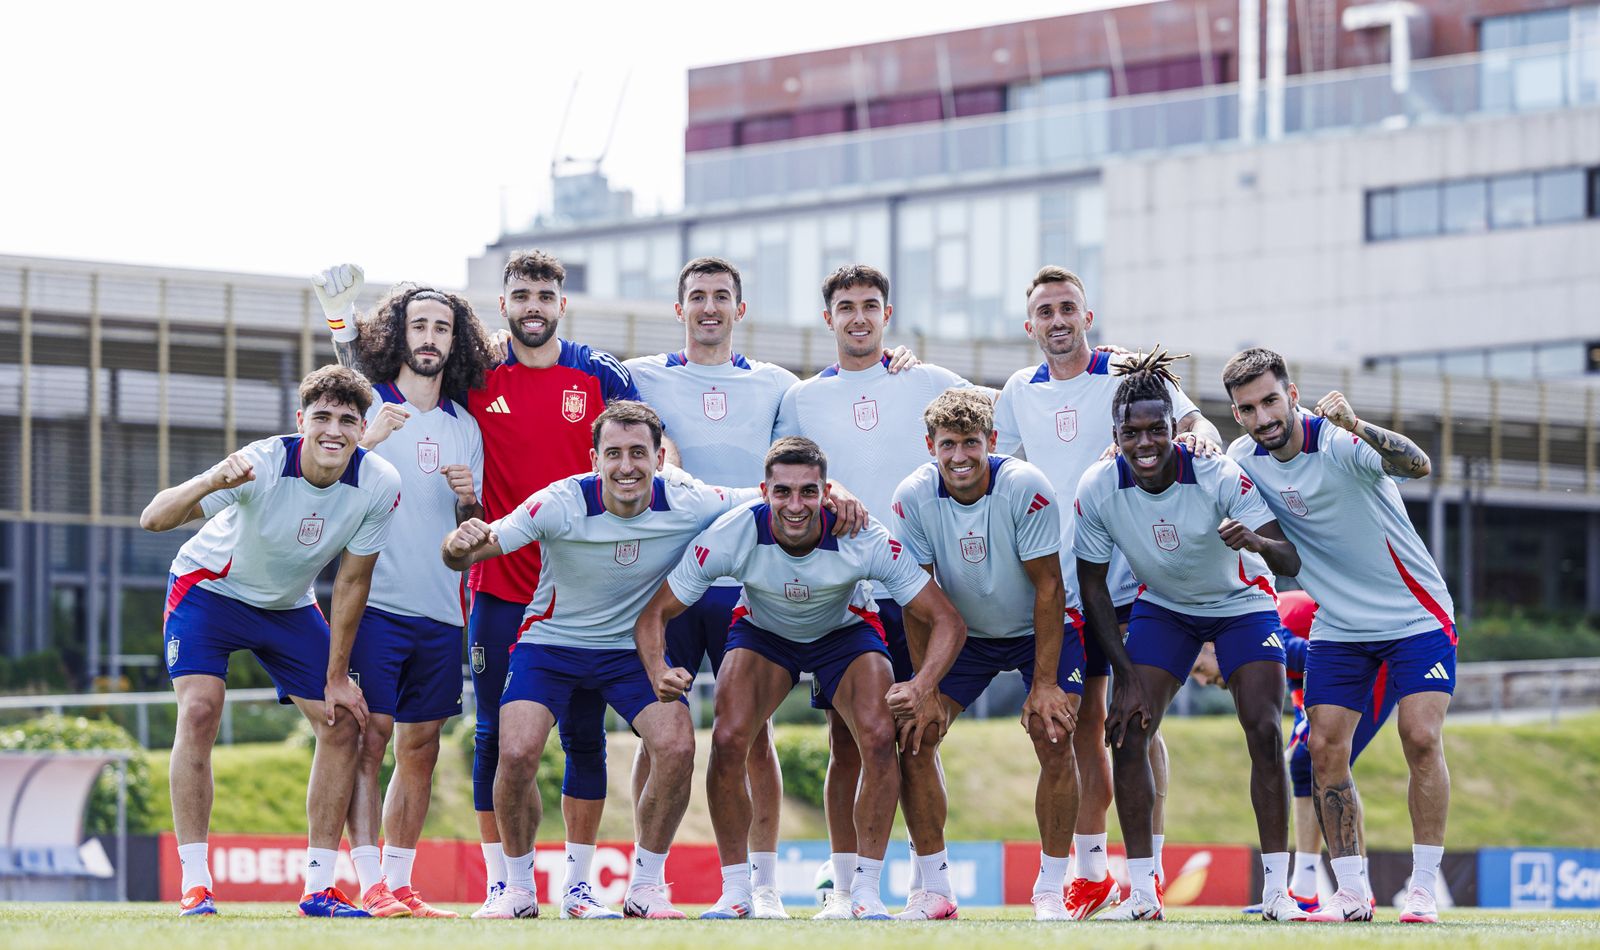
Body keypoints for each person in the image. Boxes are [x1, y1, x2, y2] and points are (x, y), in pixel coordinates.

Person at [317, 254, 650, 918]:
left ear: (562, 303)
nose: (533, 304)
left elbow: (650, 436)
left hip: (580, 594)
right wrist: (339, 324)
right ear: (502, 305)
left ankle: (579, 887)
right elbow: (369, 383)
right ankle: (505, 884)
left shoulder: (592, 374)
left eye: (545, 294)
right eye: (520, 294)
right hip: (495, 593)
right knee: (489, 737)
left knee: (581, 736)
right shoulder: (472, 384)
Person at [635, 436, 968, 920]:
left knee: (878, 738)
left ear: (826, 492)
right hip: (764, 633)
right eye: (784, 492)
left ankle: (864, 894)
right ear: (763, 491)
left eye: (808, 492)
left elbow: (948, 621)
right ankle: (737, 892)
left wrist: (922, 686)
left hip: (845, 633)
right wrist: (658, 669)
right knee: (728, 739)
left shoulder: (864, 535)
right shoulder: (732, 533)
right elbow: (654, 614)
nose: (796, 505)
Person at [993, 266, 1222, 918]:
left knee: (1138, 723)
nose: (1058, 319)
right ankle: (1092, 875)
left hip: (1140, 575)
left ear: (1086, 315)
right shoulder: (1017, 390)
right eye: (1046, 310)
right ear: (1030, 324)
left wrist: (1201, 436)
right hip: (1066, 586)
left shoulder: (1125, 370)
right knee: (1081, 725)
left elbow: (1197, 423)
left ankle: (1146, 872)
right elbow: (1001, 474)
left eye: (1069, 307)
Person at [142, 366, 402, 918]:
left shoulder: (379, 482)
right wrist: (213, 480)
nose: (334, 430)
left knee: (343, 721)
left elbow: (353, 582)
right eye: (322, 417)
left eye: (348, 421)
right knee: (200, 712)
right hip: (209, 590)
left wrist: (336, 677)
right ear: (299, 421)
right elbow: (154, 518)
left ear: (363, 429)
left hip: (286, 604)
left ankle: (318, 887)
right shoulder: (261, 463)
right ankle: (196, 883)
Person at [773, 264, 985, 917]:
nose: (859, 317)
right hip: (843, 591)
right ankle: (844, 884)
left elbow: (998, 426)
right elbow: (786, 478)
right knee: (846, 738)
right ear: (829, 317)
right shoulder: (802, 398)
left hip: (916, 585)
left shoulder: (929, 381)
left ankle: (934, 884)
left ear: (887, 315)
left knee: (916, 735)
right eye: (846, 306)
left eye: (870, 305)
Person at [1224, 347, 1456, 924]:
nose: (1263, 417)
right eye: (1248, 408)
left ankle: (1423, 886)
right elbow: (1285, 550)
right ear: (1237, 415)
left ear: (1292, 394)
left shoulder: (1340, 441)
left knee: (1420, 737)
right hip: (1340, 625)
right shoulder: (1241, 460)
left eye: (1271, 401)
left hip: (1416, 615)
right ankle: (1352, 893)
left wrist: (1360, 425)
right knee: (1322, 750)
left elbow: (1419, 465)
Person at [1073, 350, 1303, 922]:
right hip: (1167, 608)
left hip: (1241, 604)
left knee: (1264, 729)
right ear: (1116, 434)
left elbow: (1289, 556)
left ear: (1175, 428)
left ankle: (1278, 890)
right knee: (1127, 732)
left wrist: (1254, 541)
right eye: (1133, 432)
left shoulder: (1220, 473)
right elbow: (1093, 588)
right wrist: (1123, 677)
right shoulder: (1099, 486)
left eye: (1157, 429)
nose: (1146, 442)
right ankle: (1145, 893)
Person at [889, 389, 1083, 921]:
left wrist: (1045, 684)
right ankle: (935, 889)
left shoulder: (1026, 486)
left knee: (1054, 732)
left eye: (970, 443)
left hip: (1036, 628)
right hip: (964, 636)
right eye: (947, 444)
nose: (959, 457)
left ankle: (1050, 889)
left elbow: (1049, 589)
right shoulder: (911, 498)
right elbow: (915, 598)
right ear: (930, 446)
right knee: (915, 733)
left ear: (992, 442)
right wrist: (923, 686)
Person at [331, 282, 492, 917]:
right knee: (368, 740)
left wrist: (468, 503)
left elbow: (470, 533)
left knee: (419, 747)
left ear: (456, 342)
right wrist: (367, 440)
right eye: (419, 325)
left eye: (443, 328)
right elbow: (324, 486)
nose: (430, 337)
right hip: (375, 604)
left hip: (442, 610)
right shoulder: (369, 406)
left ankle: (398, 883)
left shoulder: (466, 427)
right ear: (399, 334)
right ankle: (367, 881)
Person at [1192, 591, 1393, 914]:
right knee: (1303, 764)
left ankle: (1358, 888)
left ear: (1211, 646)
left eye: (1199, 668)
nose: (1203, 681)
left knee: (1327, 763)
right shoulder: (1245, 628)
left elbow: (1308, 655)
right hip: (1324, 668)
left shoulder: (1252, 626)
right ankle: (1305, 889)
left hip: (1371, 663)